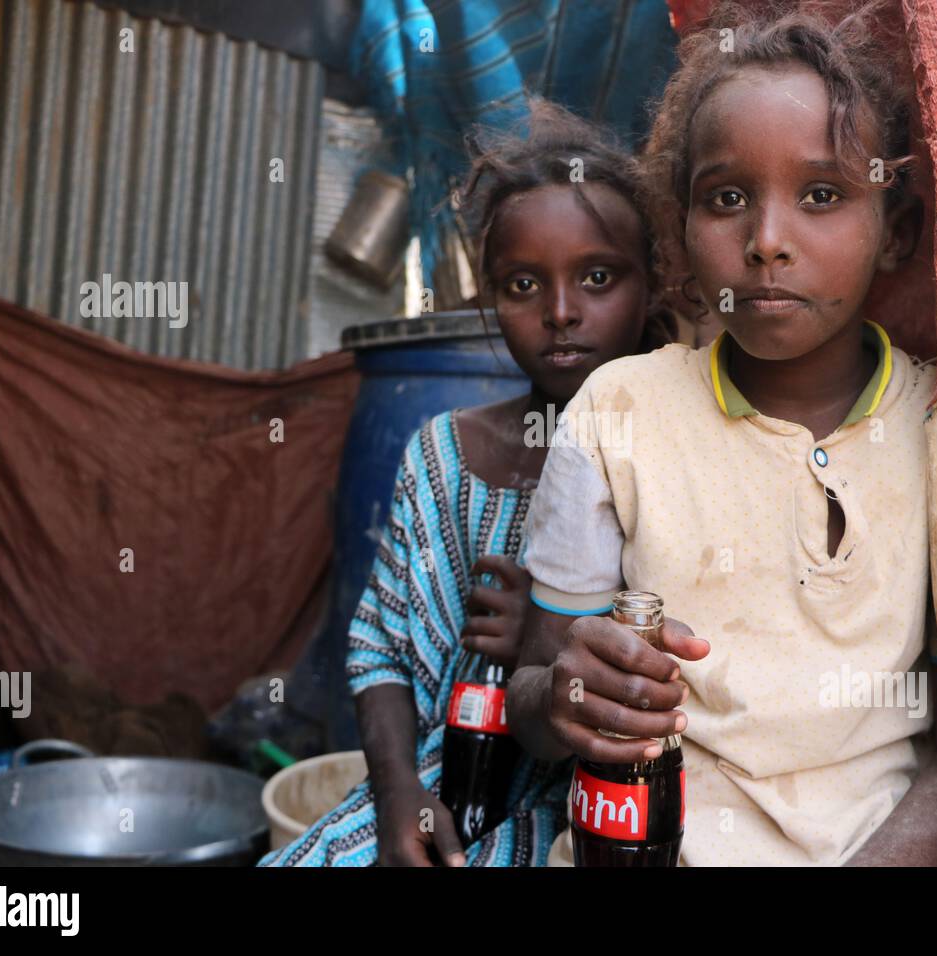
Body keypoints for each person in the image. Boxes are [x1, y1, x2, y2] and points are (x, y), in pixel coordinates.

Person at [507, 2, 937, 866]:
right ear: (680, 231)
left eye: (822, 195)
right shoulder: (619, 412)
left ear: (894, 231)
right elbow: (533, 697)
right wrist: (565, 695)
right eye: (726, 199)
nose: (766, 242)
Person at [259, 100, 675, 867]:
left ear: (651, 286)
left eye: (597, 277)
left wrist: (545, 639)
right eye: (522, 284)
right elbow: (379, 649)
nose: (560, 312)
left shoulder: (679, 457)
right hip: (440, 787)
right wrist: (395, 800)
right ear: (489, 299)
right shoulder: (443, 456)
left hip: (599, 811)